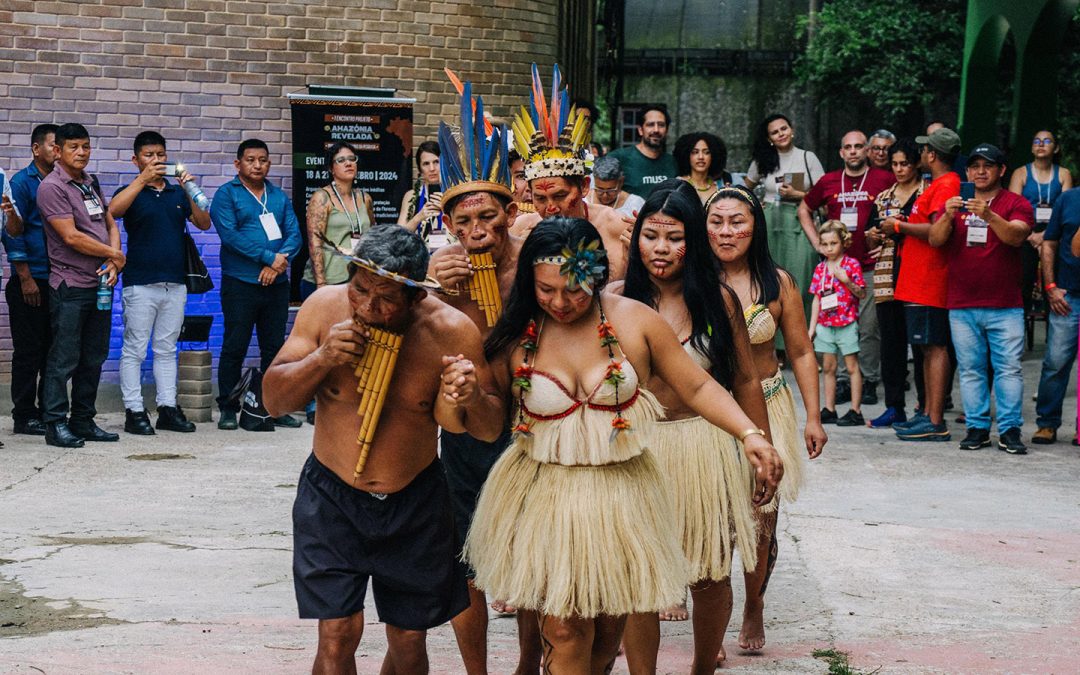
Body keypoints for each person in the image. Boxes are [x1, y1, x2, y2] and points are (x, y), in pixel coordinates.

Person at [464, 216, 784, 674]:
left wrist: (750, 434)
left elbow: (697, 387)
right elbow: (487, 425)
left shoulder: (636, 322)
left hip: (621, 493)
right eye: (546, 290)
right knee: (565, 628)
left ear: (595, 276)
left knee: (604, 639)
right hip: (545, 493)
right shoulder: (516, 335)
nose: (560, 302)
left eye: (574, 289)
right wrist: (471, 397)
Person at [263, 225, 505, 674]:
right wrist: (322, 360)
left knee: (409, 639)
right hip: (331, 496)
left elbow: (490, 430)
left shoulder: (451, 331)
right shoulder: (322, 309)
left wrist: (471, 397)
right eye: (359, 290)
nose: (369, 308)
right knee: (336, 636)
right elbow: (274, 402)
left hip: (414, 499)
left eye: (387, 298)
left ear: (416, 296)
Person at [616, 185, 771, 671]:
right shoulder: (615, 300)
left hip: (704, 446)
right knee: (638, 578)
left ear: (694, 243)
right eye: (651, 236)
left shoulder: (719, 301)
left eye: (674, 237)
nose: (660, 249)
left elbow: (745, 379)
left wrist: (759, 447)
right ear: (636, 238)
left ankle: (703, 667)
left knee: (708, 574)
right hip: (636, 448)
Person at [424, 79, 542, 675]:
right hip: (467, 429)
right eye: (464, 220)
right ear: (448, 220)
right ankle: (478, 671)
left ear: (511, 214)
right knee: (466, 557)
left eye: (489, 218)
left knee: (531, 559)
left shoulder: (538, 259)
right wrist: (427, 281)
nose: (478, 233)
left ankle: (527, 662)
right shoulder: (440, 270)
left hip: (536, 423)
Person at [708, 185, 828, 654]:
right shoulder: (692, 278)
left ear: (755, 225)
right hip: (711, 411)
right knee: (713, 517)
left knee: (762, 519)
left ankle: (754, 604)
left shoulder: (779, 283)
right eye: (716, 221)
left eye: (737, 221)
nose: (726, 231)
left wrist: (813, 417)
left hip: (770, 403)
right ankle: (711, 624)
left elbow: (799, 349)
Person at [929, 143, 1034, 454]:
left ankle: (1010, 429)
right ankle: (976, 428)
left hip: (1005, 305)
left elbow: (1017, 236)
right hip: (962, 303)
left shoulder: (1015, 202)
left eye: (988, 165)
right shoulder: (956, 203)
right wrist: (947, 216)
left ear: (1001, 170)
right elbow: (935, 240)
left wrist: (989, 215)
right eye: (974, 166)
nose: (980, 171)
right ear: (967, 171)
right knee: (971, 369)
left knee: (1009, 368)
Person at [108, 130, 211, 435]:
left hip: (175, 283)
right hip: (140, 283)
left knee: (166, 348)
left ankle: (167, 407)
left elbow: (204, 222)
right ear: (136, 159)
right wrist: (141, 180)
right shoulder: (130, 191)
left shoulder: (178, 193)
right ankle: (134, 410)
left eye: (160, 155)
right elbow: (112, 212)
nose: (156, 160)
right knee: (135, 349)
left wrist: (190, 187)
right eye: (149, 155)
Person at [35, 123, 125, 448]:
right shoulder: (51, 187)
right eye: (74, 147)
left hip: (100, 283)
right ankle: (55, 424)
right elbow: (71, 237)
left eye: (85, 146)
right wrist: (113, 253)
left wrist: (114, 260)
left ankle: (83, 420)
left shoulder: (90, 182)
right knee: (64, 358)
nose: (82, 153)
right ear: (57, 151)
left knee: (94, 357)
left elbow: (110, 222)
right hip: (70, 285)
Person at [508, 65, 634, 281]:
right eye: (540, 198)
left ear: (584, 186)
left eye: (559, 195)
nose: (551, 208)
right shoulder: (520, 229)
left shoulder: (616, 227)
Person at [211, 138, 302, 431]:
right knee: (234, 345)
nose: (257, 165)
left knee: (274, 348)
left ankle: (272, 407)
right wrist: (267, 257)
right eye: (251, 160)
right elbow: (230, 236)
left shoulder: (278, 196)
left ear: (269, 163)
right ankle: (228, 406)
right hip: (240, 283)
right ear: (238, 164)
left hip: (276, 284)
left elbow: (294, 236)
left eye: (263, 160)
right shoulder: (227, 195)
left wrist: (277, 265)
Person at [800, 130, 895, 406]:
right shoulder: (829, 180)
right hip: (834, 267)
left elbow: (897, 211)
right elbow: (804, 209)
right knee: (837, 322)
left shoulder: (883, 179)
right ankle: (843, 380)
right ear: (841, 152)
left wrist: (888, 243)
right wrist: (817, 242)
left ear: (867, 151)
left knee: (867, 328)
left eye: (858, 147)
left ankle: (867, 380)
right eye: (848, 147)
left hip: (868, 265)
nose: (853, 151)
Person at [887, 127, 962, 443]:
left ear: (932, 154)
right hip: (918, 280)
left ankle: (934, 419)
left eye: (925, 150)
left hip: (928, 279)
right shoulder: (940, 183)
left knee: (934, 348)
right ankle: (928, 414)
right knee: (926, 348)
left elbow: (935, 232)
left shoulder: (946, 185)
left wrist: (897, 225)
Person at [864, 138, 926, 428]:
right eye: (895, 164)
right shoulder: (884, 196)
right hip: (887, 275)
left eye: (905, 163)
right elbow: (869, 231)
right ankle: (894, 406)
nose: (900, 169)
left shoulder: (927, 193)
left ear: (916, 164)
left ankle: (926, 407)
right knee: (891, 343)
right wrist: (873, 236)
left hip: (918, 274)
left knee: (923, 344)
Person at [744, 113, 825, 331]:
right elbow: (745, 189)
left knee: (803, 280)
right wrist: (757, 204)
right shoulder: (764, 160)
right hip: (771, 223)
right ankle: (773, 345)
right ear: (769, 138)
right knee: (770, 282)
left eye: (783, 129)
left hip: (801, 221)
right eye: (774, 132)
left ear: (792, 130)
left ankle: (804, 338)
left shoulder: (808, 157)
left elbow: (824, 196)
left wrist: (799, 193)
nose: (780, 134)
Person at [2, 124, 57, 437]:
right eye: (54, 145)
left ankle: (49, 410)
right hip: (31, 279)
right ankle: (23, 415)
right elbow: (11, 234)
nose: (59, 151)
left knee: (53, 350)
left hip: (58, 279)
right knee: (28, 351)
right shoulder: (22, 183)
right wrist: (25, 277)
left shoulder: (64, 182)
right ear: (37, 149)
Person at [1008, 130, 1074, 317]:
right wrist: (1031, 237)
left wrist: (1045, 237)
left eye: (1047, 141)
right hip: (1025, 231)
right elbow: (1012, 209)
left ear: (1056, 148)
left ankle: (1052, 329)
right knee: (1023, 280)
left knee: (1053, 280)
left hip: (1054, 232)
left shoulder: (1063, 174)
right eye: (1036, 141)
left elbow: (1066, 211)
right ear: (1031, 147)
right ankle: (1019, 327)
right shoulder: (1020, 173)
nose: (1041, 144)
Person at [809, 220, 867, 426]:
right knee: (828, 367)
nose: (829, 248)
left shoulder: (851, 265)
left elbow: (861, 292)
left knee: (852, 366)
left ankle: (855, 410)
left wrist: (846, 280)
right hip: (826, 324)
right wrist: (812, 328)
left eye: (833, 243)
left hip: (847, 323)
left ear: (843, 242)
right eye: (824, 244)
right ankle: (830, 408)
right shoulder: (820, 268)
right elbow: (816, 298)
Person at [1035, 184, 1080, 445]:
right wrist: (1050, 287)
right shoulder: (1068, 199)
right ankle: (1047, 423)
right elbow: (1049, 243)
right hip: (1068, 296)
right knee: (1055, 363)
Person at [303, 141, 375, 299]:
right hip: (328, 282)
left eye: (351, 159)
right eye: (341, 160)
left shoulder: (365, 198)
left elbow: (372, 237)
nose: (348, 163)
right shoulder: (322, 197)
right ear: (331, 169)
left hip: (357, 280)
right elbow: (314, 243)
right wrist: (321, 284)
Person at [607, 104, 679, 198]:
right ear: (640, 130)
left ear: (667, 130)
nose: (656, 130)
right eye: (650, 125)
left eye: (661, 125)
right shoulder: (617, 158)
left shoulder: (672, 162)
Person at [398, 140, 443, 240]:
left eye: (436, 162)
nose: (432, 168)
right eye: (426, 164)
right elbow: (398, 236)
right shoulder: (411, 196)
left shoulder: (454, 193)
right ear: (420, 169)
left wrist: (447, 209)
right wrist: (419, 217)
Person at [674, 131, 732, 205]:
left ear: (713, 156)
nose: (701, 157)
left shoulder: (721, 186)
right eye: (695, 152)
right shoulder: (678, 184)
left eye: (706, 152)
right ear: (686, 155)